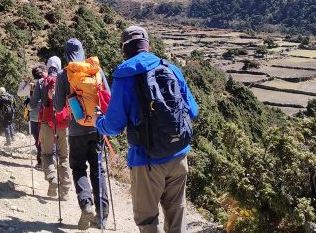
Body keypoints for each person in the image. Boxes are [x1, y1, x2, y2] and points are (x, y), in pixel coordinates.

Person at [95, 26, 199, 233]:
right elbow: (193, 111)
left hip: (147, 160)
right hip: (179, 154)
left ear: (124, 48)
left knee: (147, 220)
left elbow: (114, 127)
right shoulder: (170, 67)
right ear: (147, 45)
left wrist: (99, 122)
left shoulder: (125, 75)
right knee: (177, 213)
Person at [55, 38, 110, 230]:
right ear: (83, 51)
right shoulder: (95, 70)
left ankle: (86, 204)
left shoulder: (64, 74)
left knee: (78, 168)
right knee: (98, 170)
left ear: (66, 53)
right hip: (97, 128)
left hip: (76, 131)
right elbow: (107, 98)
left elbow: (58, 106)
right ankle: (102, 217)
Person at [30, 56, 71, 199]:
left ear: (47, 67)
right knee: (64, 157)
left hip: (47, 123)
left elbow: (34, 103)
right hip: (64, 123)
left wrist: (28, 107)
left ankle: (52, 177)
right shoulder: (65, 79)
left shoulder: (42, 82)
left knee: (46, 154)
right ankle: (65, 191)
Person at [18, 65, 45, 168]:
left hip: (34, 115)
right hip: (46, 115)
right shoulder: (46, 82)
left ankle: (40, 161)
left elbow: (20, 93)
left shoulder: (31, 85)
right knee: (48, 138)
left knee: (38, 138)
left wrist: (25, 82)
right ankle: (49, 160)